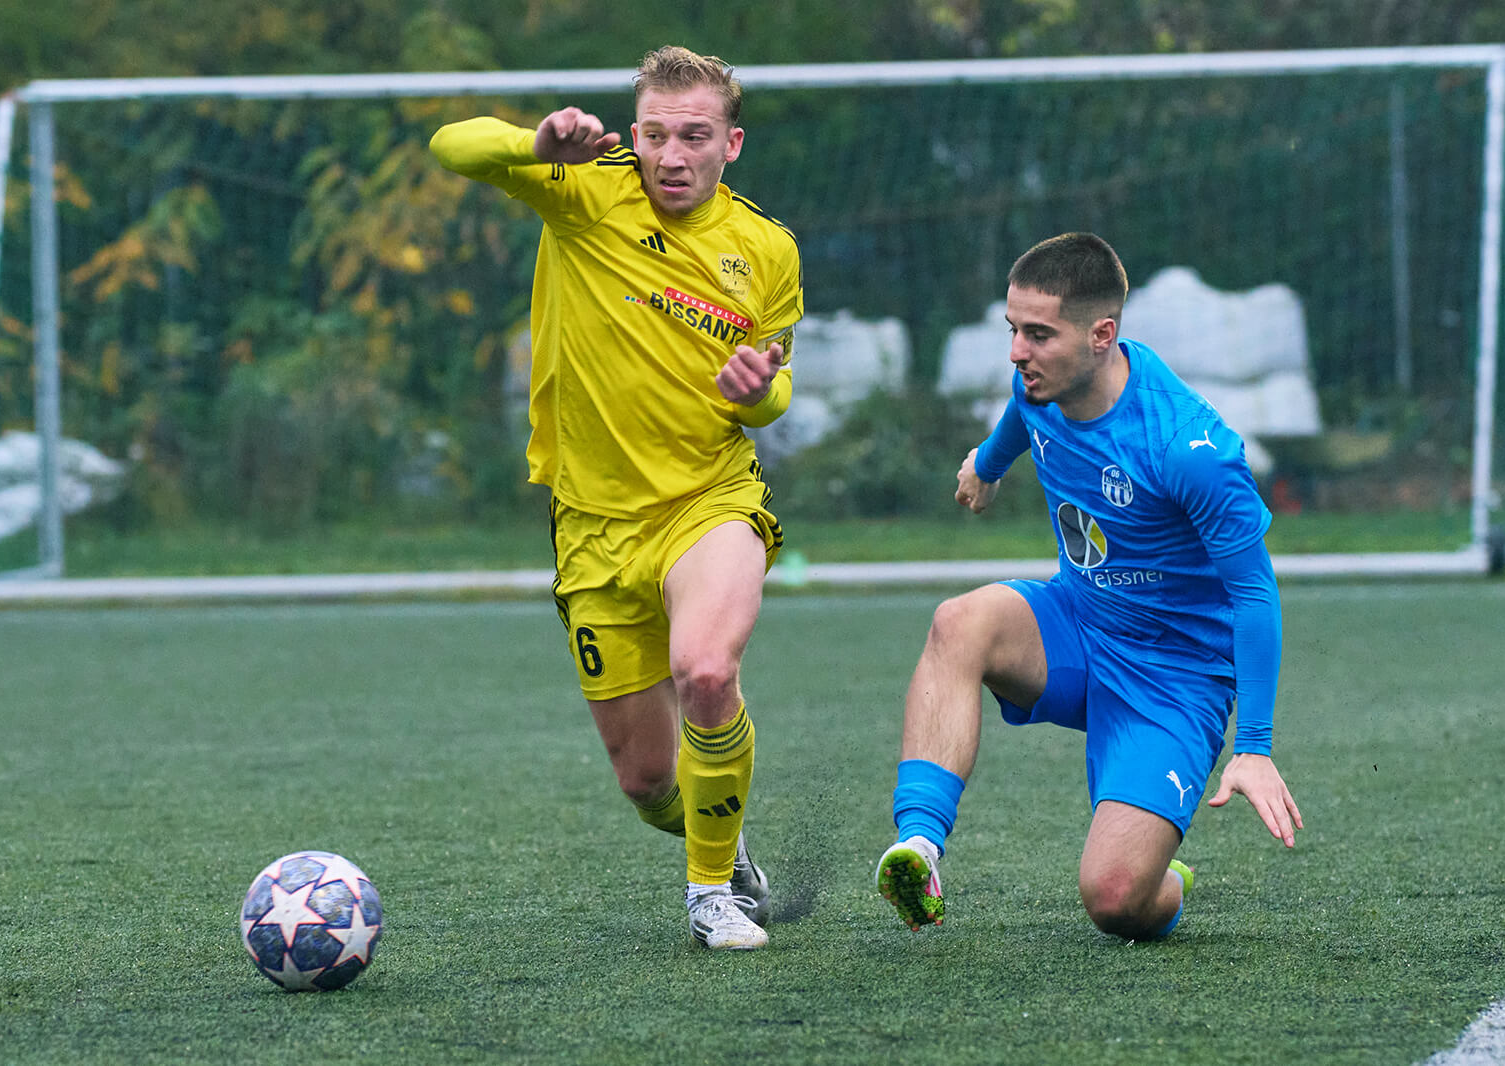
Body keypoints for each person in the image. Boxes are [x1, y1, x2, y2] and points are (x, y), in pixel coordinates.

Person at [430, 46, 803, 950]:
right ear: (632, 134)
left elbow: (775, 388)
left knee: (708, 671)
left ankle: (711, 892)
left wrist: (760, 394)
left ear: (732, 143)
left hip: (708, 500)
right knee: (646, 782)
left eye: (695, 136)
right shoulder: (584, 187)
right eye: (655, 135)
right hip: (592, 526)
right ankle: (726, 841)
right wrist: (536, 141)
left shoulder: (766, 250)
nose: (672, 156)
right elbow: (451, 145)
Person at [874, 232, 1301, 941]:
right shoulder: (1042, 383)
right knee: (960, 622)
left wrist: (1252, 746)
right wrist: (987, 463)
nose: (1017, 352)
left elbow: (1255, 595)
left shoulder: (1191, 451)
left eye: (1038, 334)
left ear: (1102, 335)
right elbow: (1020, 413)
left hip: (1173, 679)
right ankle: (919, 847)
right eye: (1013, 330)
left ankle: (1164, 883)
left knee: (1114, 902)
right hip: (1077, 623)